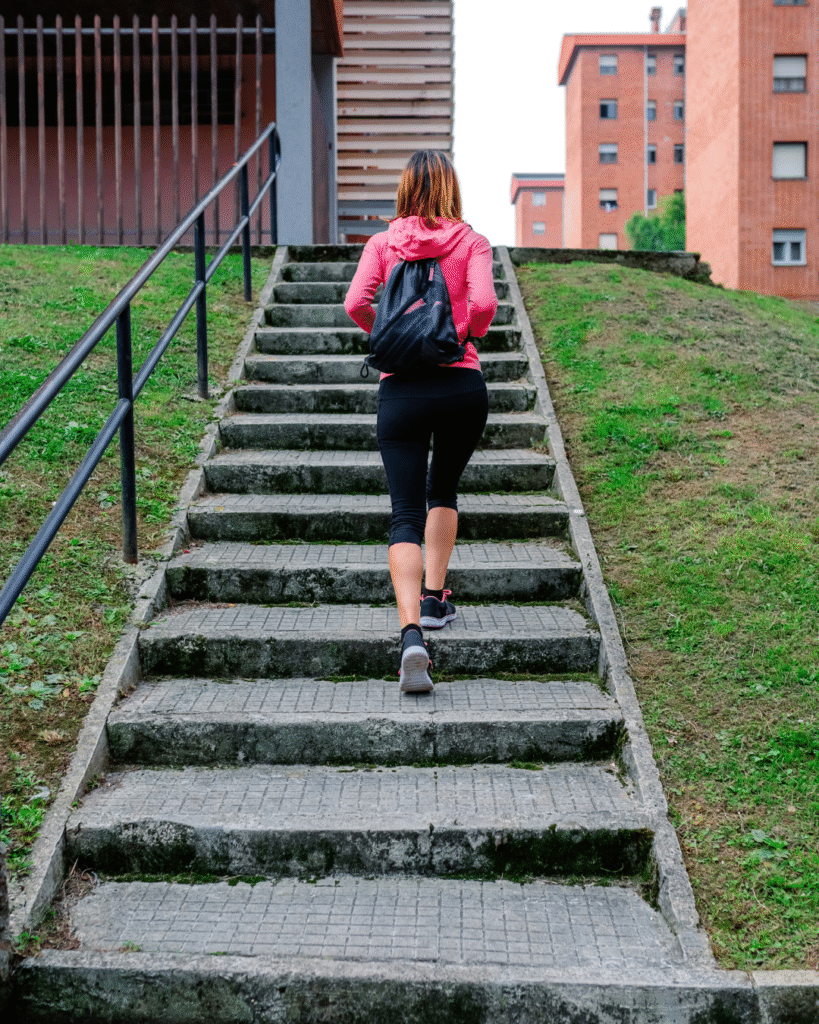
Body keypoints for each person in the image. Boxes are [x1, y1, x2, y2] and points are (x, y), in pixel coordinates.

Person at [344, 150, 498, 694]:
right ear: (451, 189)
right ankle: (435, 598)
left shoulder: (383, 243)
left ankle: (412, 635)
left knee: (404, 513)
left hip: (402, 390)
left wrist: (391, 335)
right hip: (461, 386)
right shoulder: (472, 242)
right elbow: (484, 304)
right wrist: (460, 334)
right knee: (443, 489)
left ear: (405, 189)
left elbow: (355, 302)